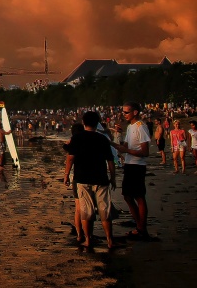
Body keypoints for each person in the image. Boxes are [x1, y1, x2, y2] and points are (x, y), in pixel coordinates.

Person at [63, 112, 117, 250]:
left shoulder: (77, 138)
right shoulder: (102, 139)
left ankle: (87, 240)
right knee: (105, 210)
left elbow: (70, 158)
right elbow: (110, 161)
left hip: (82, 178)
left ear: (83, 122)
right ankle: (110, 241)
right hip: (101, 178)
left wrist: (66, 175)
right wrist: (113, 177)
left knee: (86, 211)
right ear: (97, 122)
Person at [113, 102, 151, 239]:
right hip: (129, 164)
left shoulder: (141, 127)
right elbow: (124, 146)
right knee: (127, 196)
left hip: (137, 165)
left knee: (139, 197)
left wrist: (126, 150)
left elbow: (145, 152)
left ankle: (142, 228)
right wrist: (115, 138)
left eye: (126, 112)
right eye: (123, 112)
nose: (124, 114)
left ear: (135, 112)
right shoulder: (130, 127)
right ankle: (139, 226)